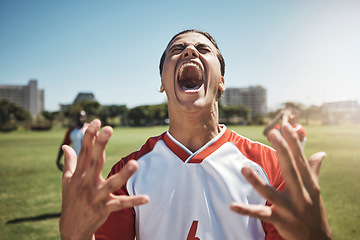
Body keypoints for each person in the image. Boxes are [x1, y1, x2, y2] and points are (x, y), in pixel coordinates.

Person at [59, 29, 332, 240]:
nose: (190, 50)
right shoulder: (127, 173)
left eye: (203, 49)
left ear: (221, 81)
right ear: (163, 83)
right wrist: (76, 236)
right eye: (176, 49)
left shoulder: (272, 167)